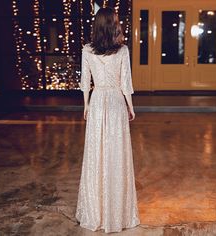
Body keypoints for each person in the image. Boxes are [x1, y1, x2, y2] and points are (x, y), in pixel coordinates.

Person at [75, 6, 140, 233]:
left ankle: (96, 211)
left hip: (97, 101)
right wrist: (130, 107)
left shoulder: (86, 50)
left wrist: (86, 106)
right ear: (112, 24)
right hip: (115, 102)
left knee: (96, 155)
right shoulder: (122, 51)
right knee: (116, 154)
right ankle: (117, 213)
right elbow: (126, 83)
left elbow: (85, 83)